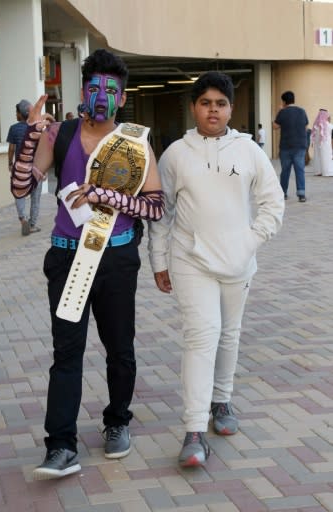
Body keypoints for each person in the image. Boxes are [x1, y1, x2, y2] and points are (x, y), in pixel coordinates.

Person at [11, 49, 164, 480]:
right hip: (66, 257)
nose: (100, 96)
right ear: (83, 91)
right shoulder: (59, 133)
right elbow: (21, 187)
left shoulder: (134, 142)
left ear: (122, 96)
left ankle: (117, 421)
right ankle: (60, 445)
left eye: (109, 90)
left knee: (120, 348)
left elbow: (154, 207)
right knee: (66, 353)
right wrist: (28, 138)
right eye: (93, 87)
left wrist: (107, 197)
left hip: (114, 257)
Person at [148, 71, 284, 468]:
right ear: (193, 107)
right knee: (201, 337)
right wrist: (159, 260)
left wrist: (249, 240)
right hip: (191, 261)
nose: (213, 110)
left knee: (229, 334)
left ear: (230, 109)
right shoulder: (176, 153)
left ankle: (220, 402)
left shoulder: (249, 150)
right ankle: (193, 430)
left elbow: (274, 204)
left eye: (220, 103)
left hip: (239, 261)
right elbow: (162, 213)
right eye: (206, 103)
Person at [7, 99, 43, 235]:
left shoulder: (14, 128)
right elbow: (42, 148)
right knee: (36, 197)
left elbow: (11, 148)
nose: (16, 115)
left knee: (18, 193)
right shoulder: (37, 127)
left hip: (20, 168)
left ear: (20, 114)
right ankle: (32, 224)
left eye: (16, 112)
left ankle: (23, 219)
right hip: (36, 168)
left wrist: (10, 163)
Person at [273, 91, 308, 202]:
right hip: (300, 146)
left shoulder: (283, 112)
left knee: (285, 171)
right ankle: (301, 194)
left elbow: (275, 126)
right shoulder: (302, 111)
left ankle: (283, 193)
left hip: (286, 146)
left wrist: (279, 111)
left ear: (283, 101)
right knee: (300, 170)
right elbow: (306, 126)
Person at [311, 109, 333, 177]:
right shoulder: (329, 125)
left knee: (317, 157)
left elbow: (312, 135)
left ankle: (318, 172)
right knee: (326, 157)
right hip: (326, 145)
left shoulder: (315, 126)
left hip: (317, 145)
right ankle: (327, 172)